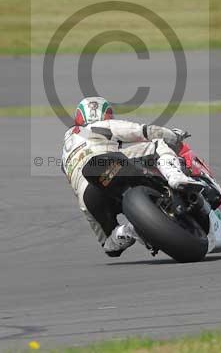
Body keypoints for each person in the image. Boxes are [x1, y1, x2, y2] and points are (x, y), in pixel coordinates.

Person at [61, 96, 194, 257]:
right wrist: (172, 135)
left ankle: (130, 231)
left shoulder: (65, 152)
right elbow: (141, 131)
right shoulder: (99, 125)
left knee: (109, 244)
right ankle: (175, 176)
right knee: (158, 144)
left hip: (87, 195)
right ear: (104, 114)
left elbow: (110, 251)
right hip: (109, 164)